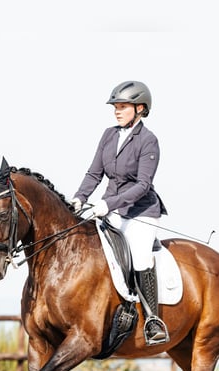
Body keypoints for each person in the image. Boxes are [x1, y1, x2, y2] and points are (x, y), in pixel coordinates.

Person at [72, 80, 169, 345]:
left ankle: (152, 320)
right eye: (115, 106)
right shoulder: (108, 134)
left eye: (123, 106)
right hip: (110, 207)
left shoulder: (149, 141)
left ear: (140, 108)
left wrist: (107, 204)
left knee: (139, 258)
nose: (117, 110)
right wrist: (80, 197)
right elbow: (95, 172)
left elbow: (142, 185)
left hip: (141, 212)